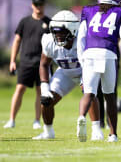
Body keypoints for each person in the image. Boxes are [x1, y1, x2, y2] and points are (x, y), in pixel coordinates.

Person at [32, 10, 103, 140]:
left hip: (84, 70)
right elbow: (43, 64)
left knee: (90, 93)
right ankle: (48, 132)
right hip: (65, 72)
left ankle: (96, 130)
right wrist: (44, 87)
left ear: (73, 30)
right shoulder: (49, 42)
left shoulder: (85, 41)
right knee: (46, 100)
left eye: (62, 31)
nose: (58, 35)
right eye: (55, 31)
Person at [76, 0, 121, 142]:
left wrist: (82, 59)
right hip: (108, 53)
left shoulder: (88, 10)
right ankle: (113, 134)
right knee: (110, 95)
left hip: (89, 53)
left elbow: (81, 37)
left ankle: (81, 116)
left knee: (89, 92)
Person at [4, 0, 51, 129]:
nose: (38, 7)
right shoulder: (24, 22)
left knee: (40, 91)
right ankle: (11, 120)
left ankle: (37, 121)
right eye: (36, 5)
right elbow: (17, 41)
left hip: (43, 63)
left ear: (44, 5)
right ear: (32, 5)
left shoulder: (49, 22)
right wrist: (13, 60)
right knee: (20, 88)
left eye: (41, 4)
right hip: (26, 61)